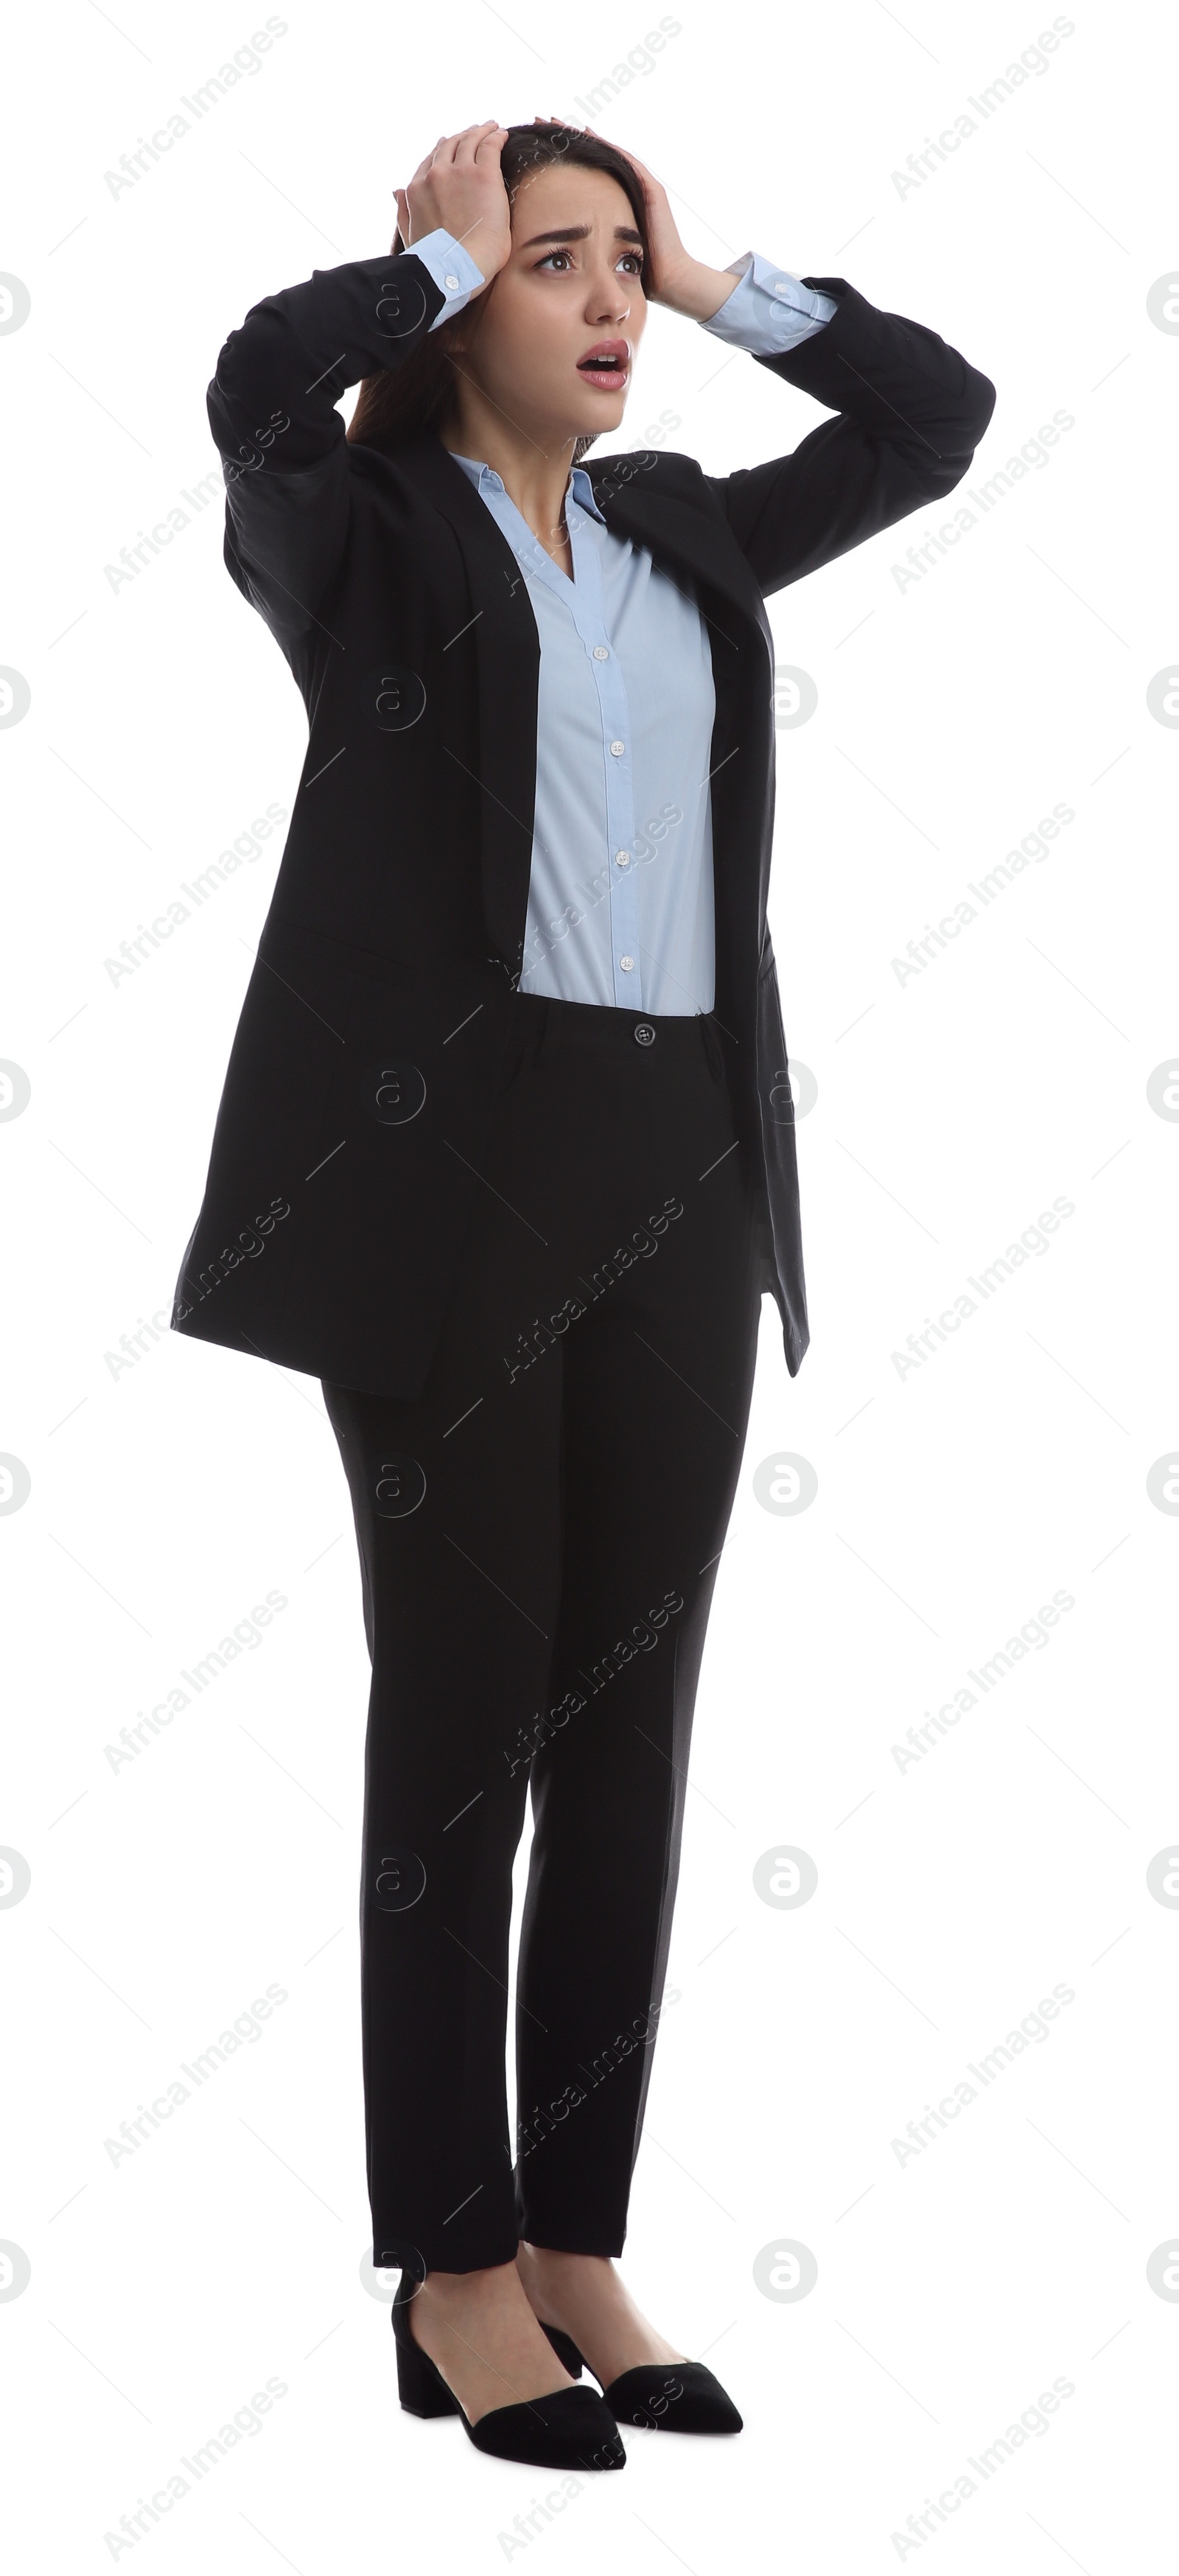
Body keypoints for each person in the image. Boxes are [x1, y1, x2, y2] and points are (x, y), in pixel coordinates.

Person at [171, 116, 996, 2471]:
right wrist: (411, 265)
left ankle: (575, 2238)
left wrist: (728, 276)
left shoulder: (685, 528)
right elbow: (245, 398)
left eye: (619, 264)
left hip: (685, 1168)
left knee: (630, 1735)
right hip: (453, 1177)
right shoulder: (365, 535)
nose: (610, 305)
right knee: (462, 1728)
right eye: (562, 267)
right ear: (461, 305)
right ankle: (446, 2260)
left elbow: (934, 419)